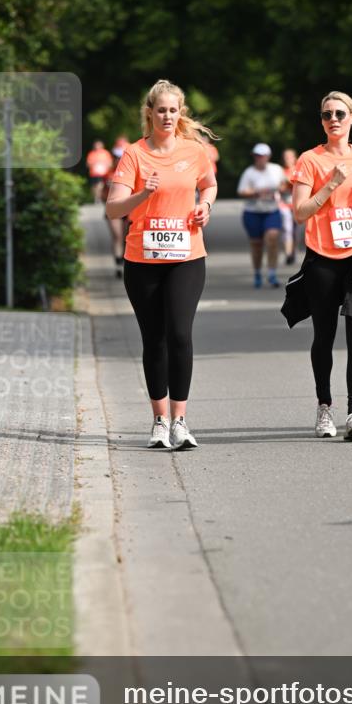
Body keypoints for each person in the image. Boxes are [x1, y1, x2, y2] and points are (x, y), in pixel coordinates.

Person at [106, 80, 217, 450]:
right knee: (154, 338)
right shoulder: (134, 155)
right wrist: (144, 193)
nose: (167, 116)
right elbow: (114, 208)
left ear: (179, 113)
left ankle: (180, 421)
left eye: (173, 110)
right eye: (161, 110)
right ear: (149, 113)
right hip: (143, 260)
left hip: (187, 257)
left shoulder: (194, 151)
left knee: (180, 334)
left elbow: (210, 185)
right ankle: (159, 420)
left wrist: (205, 206)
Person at [291, 90, 352, 441]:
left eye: (340, 114)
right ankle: (324, 406)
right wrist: (330, 183)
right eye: (327, 114)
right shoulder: (309, 160)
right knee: (324, 335)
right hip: (323, 256)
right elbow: (300, 212)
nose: (333, 120)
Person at [237, 143, 285, 288]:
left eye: (263, 155)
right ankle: (257, 272)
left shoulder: (276, 169)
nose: (260, 158)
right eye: (257, 155)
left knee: (272, 239)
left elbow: (285, 184)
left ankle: (272, 273)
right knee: (257, 244)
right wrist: (255, 193)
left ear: (268, 156)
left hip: (272, 211)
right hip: (253, 212)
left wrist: (279, 189)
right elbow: (241, 191)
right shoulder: (249, 172)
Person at [104, 135, 130, 277]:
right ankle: (118, 265)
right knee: (117, 236)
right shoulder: (108, 173)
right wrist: (108, 190)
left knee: (127, 237)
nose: (119, 158)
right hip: (114, 209)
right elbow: (102, 196)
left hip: (130, 208)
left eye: (122, 155)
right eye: (117, 155)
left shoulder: (135, 170)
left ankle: (127, 262)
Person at [280, 147, 299, 265]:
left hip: (297, 204)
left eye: (289, 156)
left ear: (294, 158)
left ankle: (293, 252)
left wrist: (290, 181)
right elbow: (279, 188)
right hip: (284, 204)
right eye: (285, 157)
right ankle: (287, 254)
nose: (287, 159)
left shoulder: (299, 170)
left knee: (295, 231)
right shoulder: (280, 171)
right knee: (287, 229)